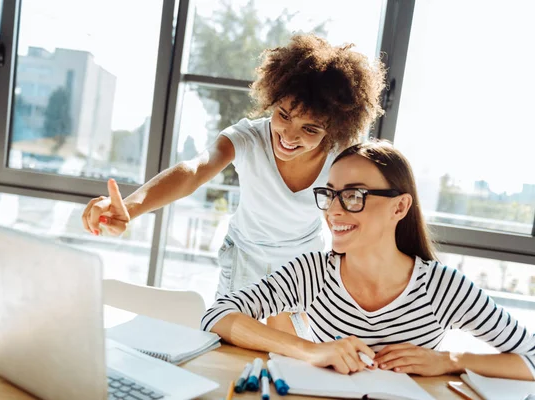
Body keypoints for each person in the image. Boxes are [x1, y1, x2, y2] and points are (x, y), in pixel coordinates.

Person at [81, 33, 386, 335]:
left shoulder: (341, 160)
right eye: (284, 115)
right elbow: (193, 171)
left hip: (302, 266)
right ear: (273, 100)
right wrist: (130, 208)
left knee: (294, 352)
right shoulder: (248, 138)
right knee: (230, 343)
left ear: (333, 129)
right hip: (244, 258)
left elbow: (354, 220)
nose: (290, 136)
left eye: (310, 128)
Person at [201, 140, 535, 381]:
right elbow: (217, 315)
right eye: (329, 194)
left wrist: (448, 360)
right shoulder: (312, 272)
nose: (333, 210)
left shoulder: (442, 287)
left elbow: (530, 357)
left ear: (399, 207)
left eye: (353, 195)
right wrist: (311, 350)